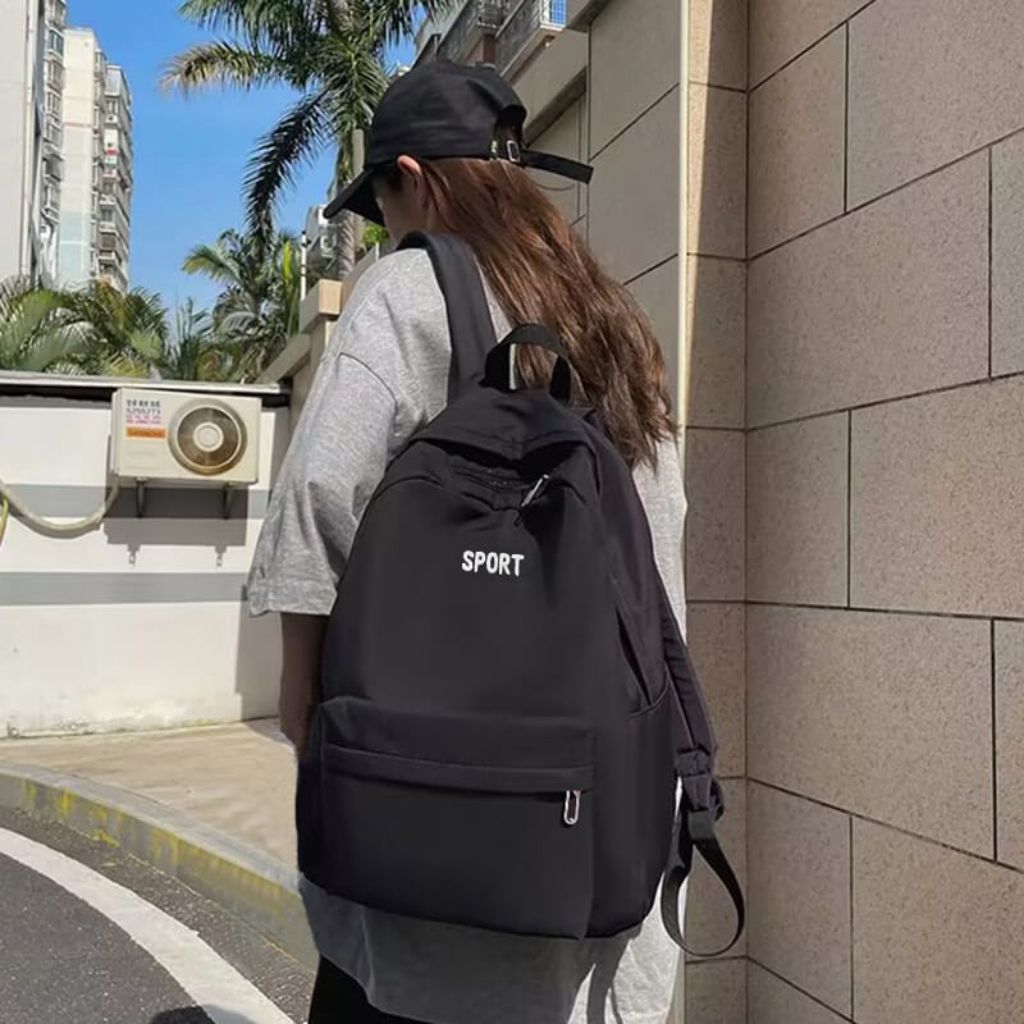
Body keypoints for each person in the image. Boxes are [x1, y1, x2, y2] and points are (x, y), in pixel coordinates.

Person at [247, 60, 689, 1024]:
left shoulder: (408, 289)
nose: (386, 228)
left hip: (442, 849)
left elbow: (321, 494)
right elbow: (661, 537)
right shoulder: (609, 316)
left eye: (383, 206)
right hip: (606, 811)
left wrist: (305, 702)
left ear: (411, 177)